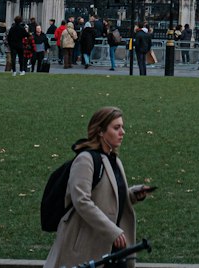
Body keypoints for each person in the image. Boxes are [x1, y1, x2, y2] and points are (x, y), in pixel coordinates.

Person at [43, 106, 152, 268]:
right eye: (116, 128)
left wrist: (132, 195)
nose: (122, 132)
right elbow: (81, 201)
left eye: (122, 127)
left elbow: (109, 198)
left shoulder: (114, 160)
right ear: (100, 131)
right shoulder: (85, 160)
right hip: (87, 248)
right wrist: (112, 231)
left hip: (114, 248)